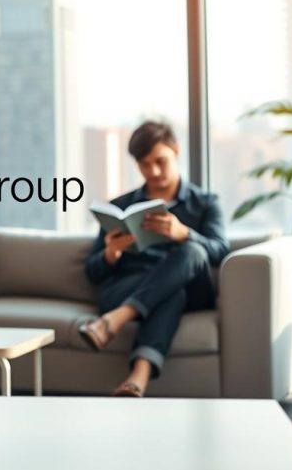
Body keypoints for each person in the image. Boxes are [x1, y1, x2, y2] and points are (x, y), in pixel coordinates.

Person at [79, 121, 228, 397]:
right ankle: (139, 375)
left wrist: (184, 234)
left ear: (176, 151)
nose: (154, 171)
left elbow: (221, 251)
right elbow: (92, 271)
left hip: (194, 289)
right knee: (172, 293)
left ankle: (116, 320)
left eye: (161, 161)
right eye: (145, 165)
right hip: (131, 286)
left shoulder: (206, 203)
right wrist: (110, 254)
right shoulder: (120, 207)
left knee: (193, 252)